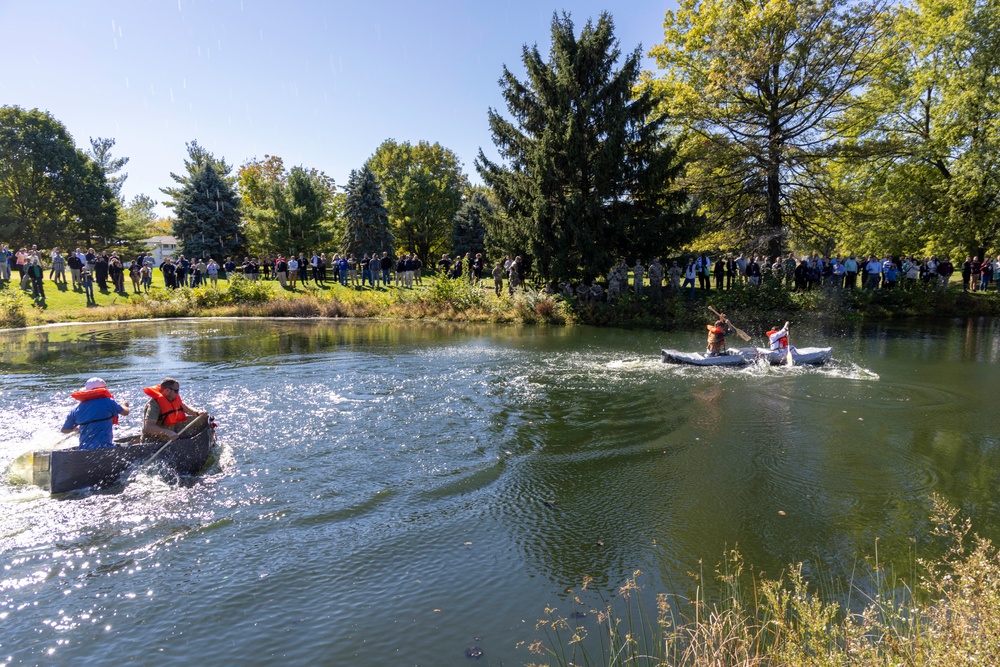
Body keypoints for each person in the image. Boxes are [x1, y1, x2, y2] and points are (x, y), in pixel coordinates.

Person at [61, 378, 130, 450]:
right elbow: (125, 412)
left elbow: (64, 430)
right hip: (106, 448)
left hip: (84, 450)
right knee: (128, 444)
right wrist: (124, 405)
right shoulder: (108, 402)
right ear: (104, 389)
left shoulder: (75, 409)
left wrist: (76, 429)